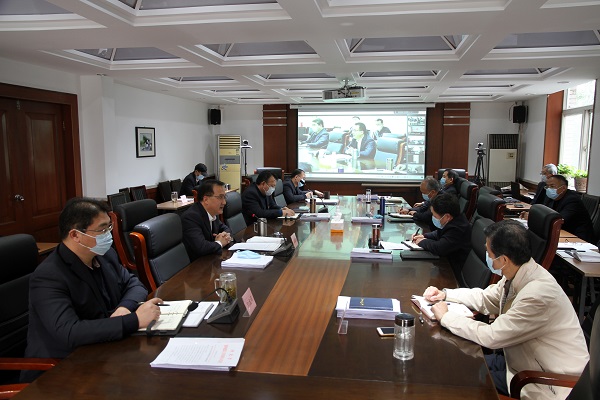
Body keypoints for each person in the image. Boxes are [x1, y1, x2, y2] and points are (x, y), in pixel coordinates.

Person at [422, 220, 588, 399]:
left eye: (488, 252)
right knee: (455, 361)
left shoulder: (538, 295)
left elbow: (491, 336)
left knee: (459, 379)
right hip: (518, 363)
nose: (486, 255)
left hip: (544, 381)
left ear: (503, 260)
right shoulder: (520, 272)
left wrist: (446, 317)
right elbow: (487, 298)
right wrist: (446, 294)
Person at [24, 198, 161, 380]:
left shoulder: (105, 255)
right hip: (60, 368)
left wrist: (124, 307)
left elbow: (134, 284)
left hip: (104, 351)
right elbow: (69, 332)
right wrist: (134, 320)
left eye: (109, 227)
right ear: (75, 235)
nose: (109, 235)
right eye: (102, 230)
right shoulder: (49, 276)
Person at [411, 193, 471, 278]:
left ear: (447, 216)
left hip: (453, 272)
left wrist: (422, 242)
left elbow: (439, 248)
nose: (433, 217)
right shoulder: (454, 220)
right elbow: (439, 233)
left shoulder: (458, 228)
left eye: (434, 215)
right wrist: (425, 236)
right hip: (448, 262)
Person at [520, 174, 595, 243]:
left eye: (552, 186)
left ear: (563, 188)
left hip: (578, 239)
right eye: (547, 186)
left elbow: (559, 221)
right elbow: (546, 213)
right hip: (561, 233)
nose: (549, 189)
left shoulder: (572, 200)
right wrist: (531, 214)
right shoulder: (553, 197)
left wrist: (533, 218)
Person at [181, 179, 233, 261]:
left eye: (224, 197)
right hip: (197, 264)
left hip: (210, 259)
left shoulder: (213, 212)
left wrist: (225, 235)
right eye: (220, 197)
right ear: (206, 200)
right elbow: (201, 247)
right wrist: (219, 243)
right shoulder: (191, 217)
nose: (224, 202)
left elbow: (225, 228)